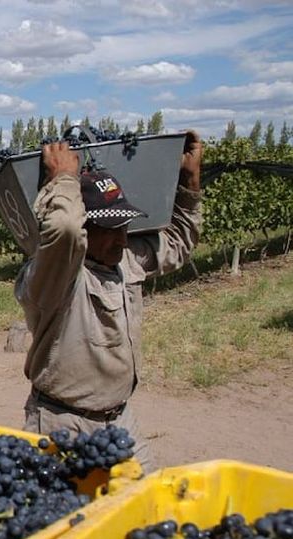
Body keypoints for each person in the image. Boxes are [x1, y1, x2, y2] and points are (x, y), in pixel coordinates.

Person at [17, 131, 204, 471]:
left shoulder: (124, 259)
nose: (121, 238)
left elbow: (177, 244)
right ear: (87, 228)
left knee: (148, 507)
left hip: (120, 422)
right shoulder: (56, 277)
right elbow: (64, 229)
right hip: (64, 425)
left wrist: (190, 180)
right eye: (108, 228)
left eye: (124, 226)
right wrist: (63, 180)